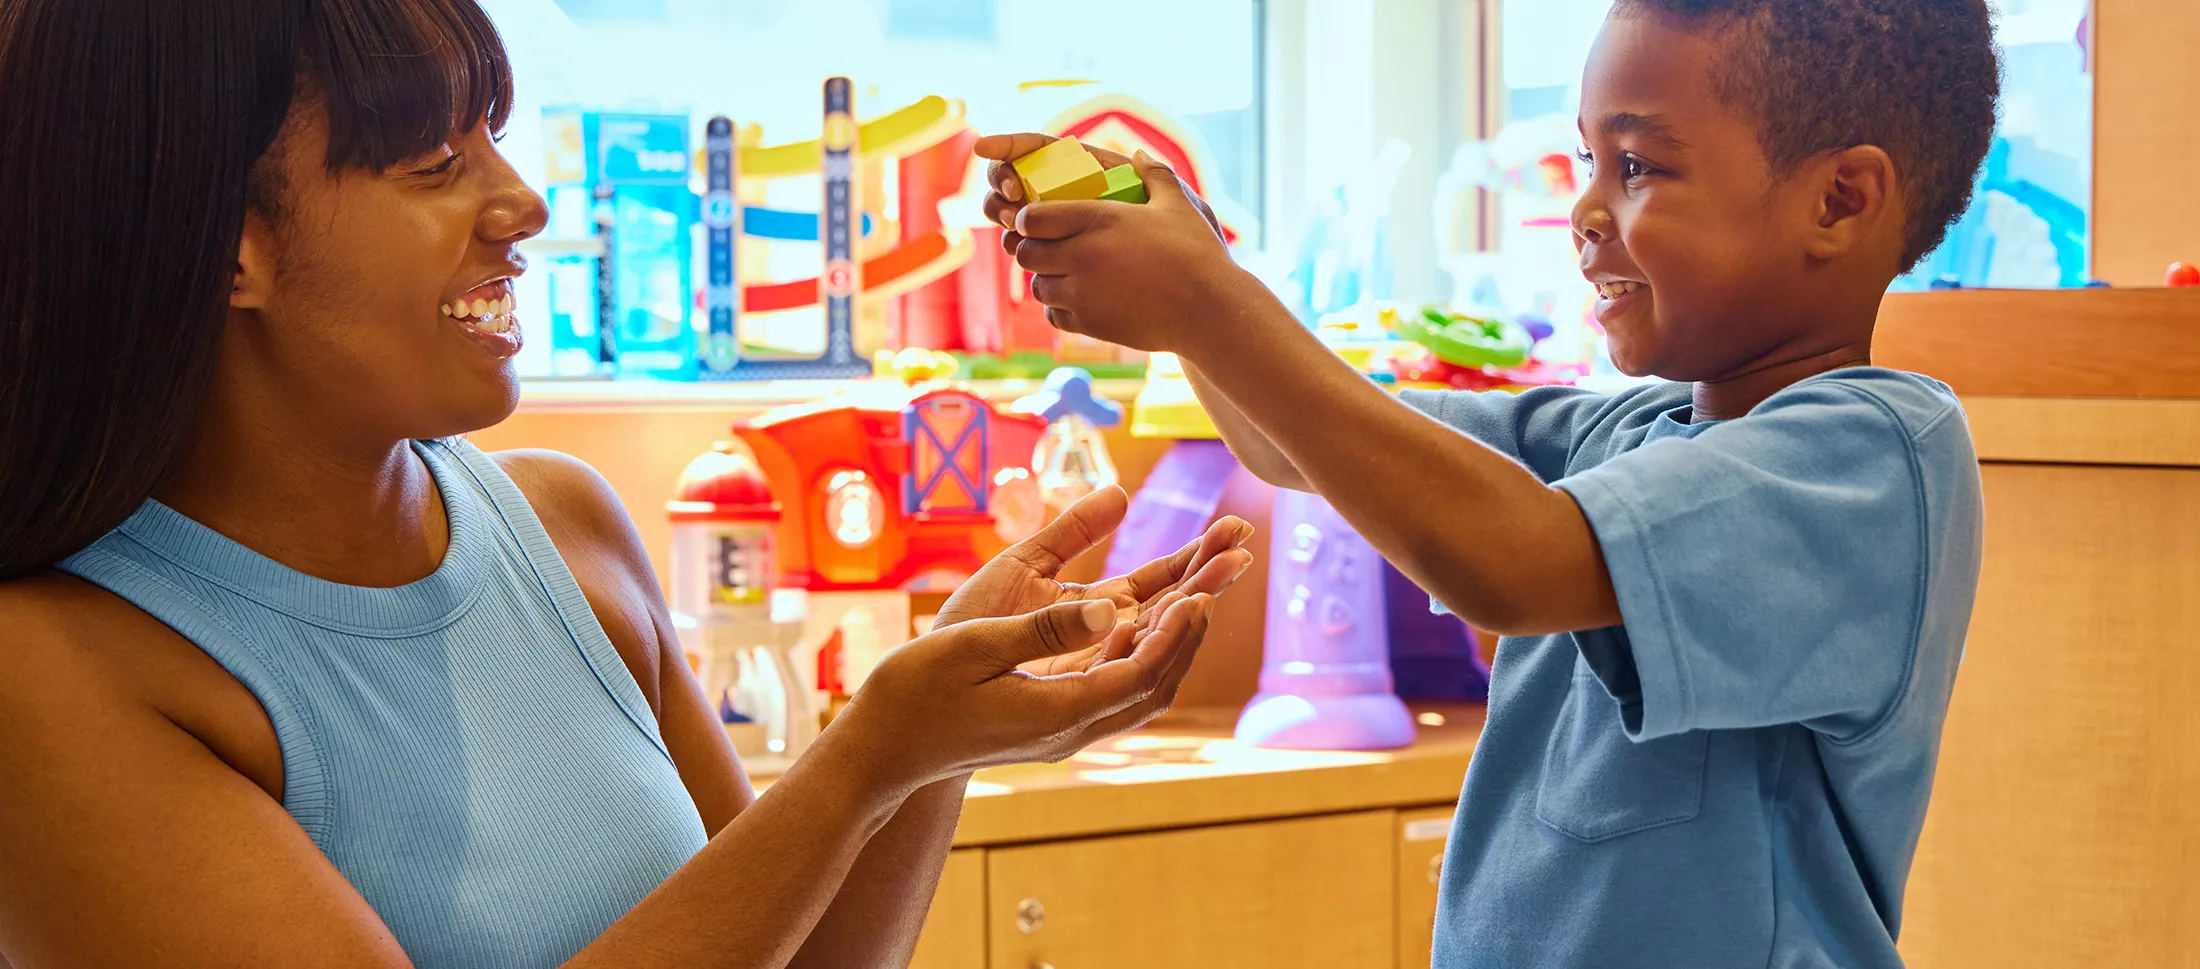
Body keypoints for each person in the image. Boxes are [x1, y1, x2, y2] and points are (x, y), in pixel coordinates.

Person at [0, 1, 1256, 967]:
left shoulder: (563, 525)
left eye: (494, 137)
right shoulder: (56, 673)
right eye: (435, 161)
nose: (523, 203)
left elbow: (798, 954)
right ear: (232, 250)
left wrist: (934, 739)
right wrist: (868, 756)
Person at [977, 0, 1998, 965]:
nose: (1586, 210)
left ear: (1839, 200)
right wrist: (1190, 269)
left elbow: (1513, 564)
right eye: (1588, 160)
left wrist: (1204, 303)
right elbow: (1300, 448)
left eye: (1638, 165)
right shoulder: (1622, 432)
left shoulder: (1873, 457)